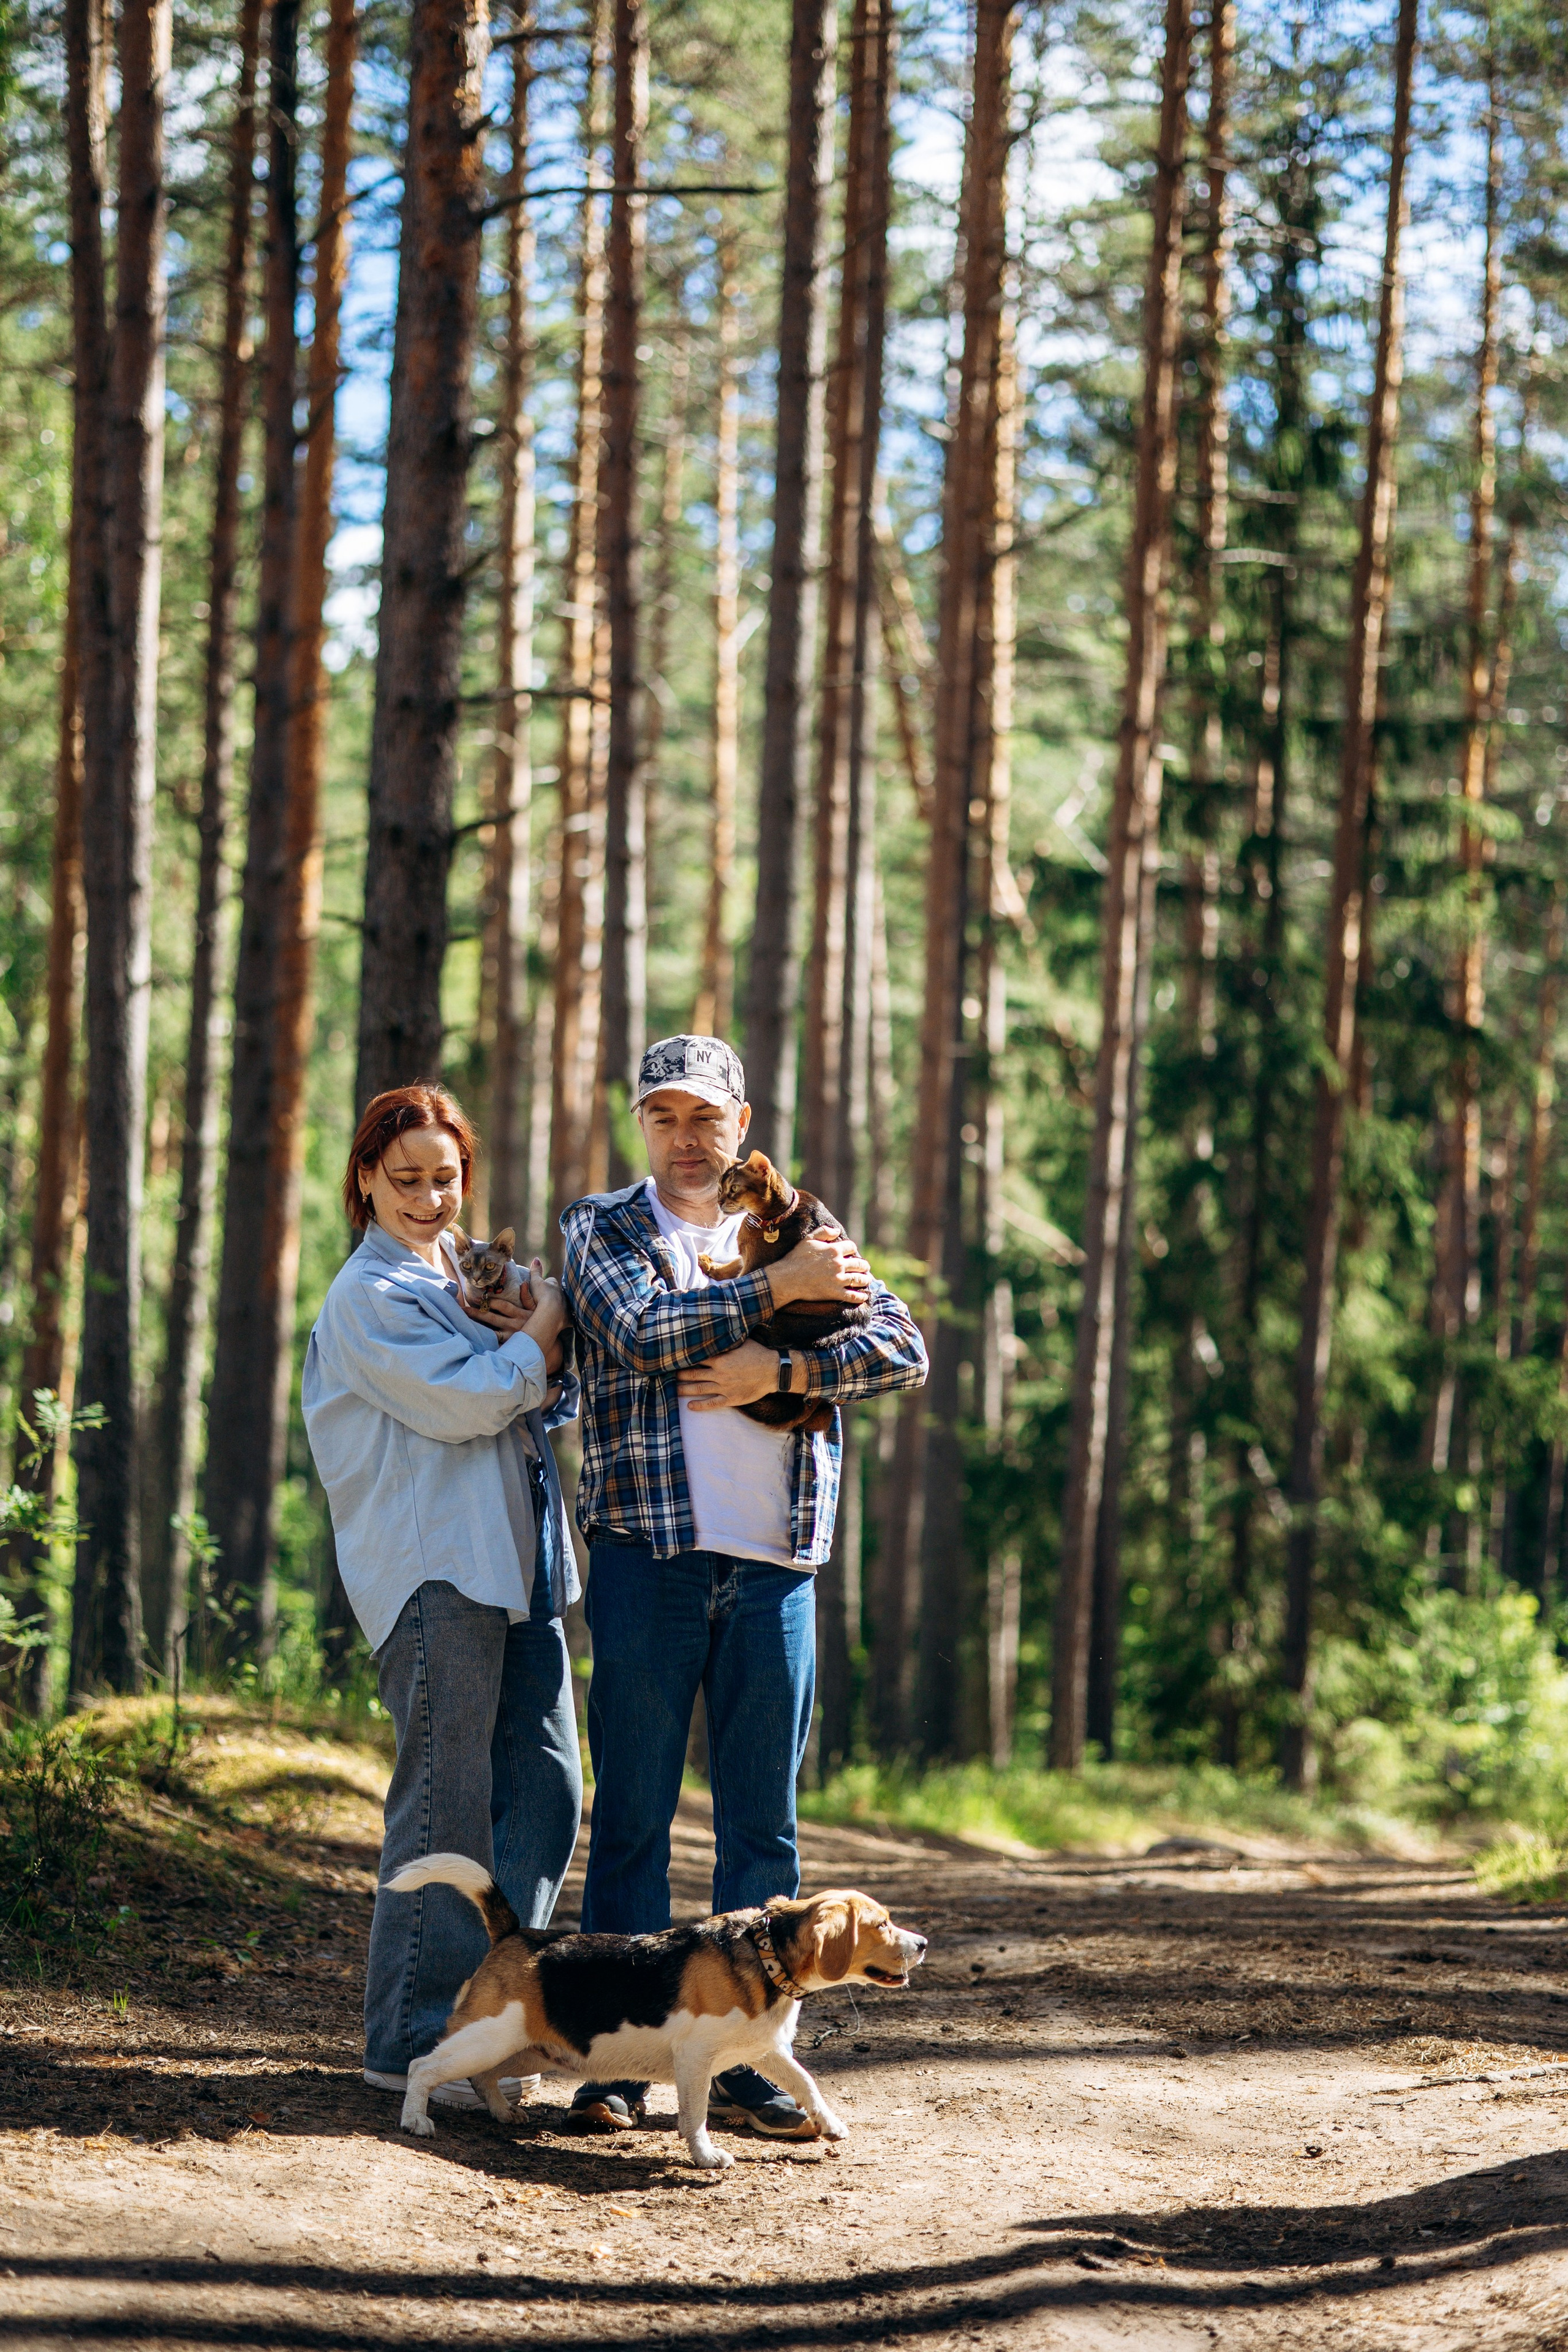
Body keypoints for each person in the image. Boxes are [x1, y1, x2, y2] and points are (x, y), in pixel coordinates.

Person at [560, 1033, 928, 2140]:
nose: (685, 1139)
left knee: (762, 1833)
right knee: (630, 1818)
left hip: (775, 1570)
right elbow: (638, 1334)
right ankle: (614, 2069)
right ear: (642, 1124)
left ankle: (747, 2066)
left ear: (741, 1125)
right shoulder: (604, 1228)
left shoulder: (801, 1225)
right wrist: (781, 1291)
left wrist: (786, 1367)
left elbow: (900, 1346)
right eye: (664, 1117)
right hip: (647, 1561)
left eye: (705, 1119)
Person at [303, 1080, 583, 2113]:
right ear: (366, 1181)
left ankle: (496, 2024)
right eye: (406, 1180)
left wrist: (529, 1330)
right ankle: (410, 2040)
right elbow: (470, 1404)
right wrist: (540, 1333)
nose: (429, 1199)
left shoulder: (450, 1282)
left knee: (549, 1788)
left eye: (446, 1178)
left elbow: (526, 1386)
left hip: (518, 1576)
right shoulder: (369, 1298)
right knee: (443, 1812)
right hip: (436, 1579)